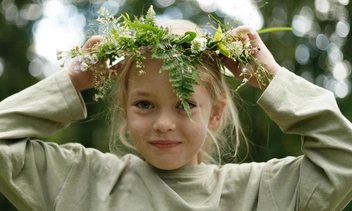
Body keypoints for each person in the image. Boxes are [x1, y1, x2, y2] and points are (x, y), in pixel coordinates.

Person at [0, 14, 352, 211]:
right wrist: (74, 79)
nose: (164, 124)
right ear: (123, 110)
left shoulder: (259, 192)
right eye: (144, 104)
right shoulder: (82, 180)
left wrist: (273, 79)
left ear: (215, 114)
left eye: (186, 104)